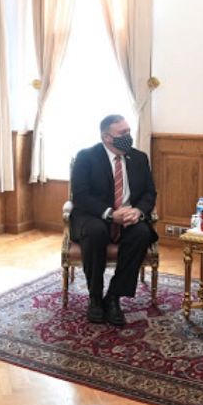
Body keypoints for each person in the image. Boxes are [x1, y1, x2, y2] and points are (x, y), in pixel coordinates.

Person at [70, 115, 157, 326]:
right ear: (106, 137)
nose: (128, 136)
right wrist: (110, 213)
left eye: (128, 131)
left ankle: (113, 297)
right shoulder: (86, 157)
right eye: (122, 133)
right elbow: (80, 196)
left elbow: (149, 192)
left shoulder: (139, 158)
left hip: (128, 216)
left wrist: (138, 211)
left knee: (142, 233)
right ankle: (95, 298)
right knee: (96, 231)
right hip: (95, 216)